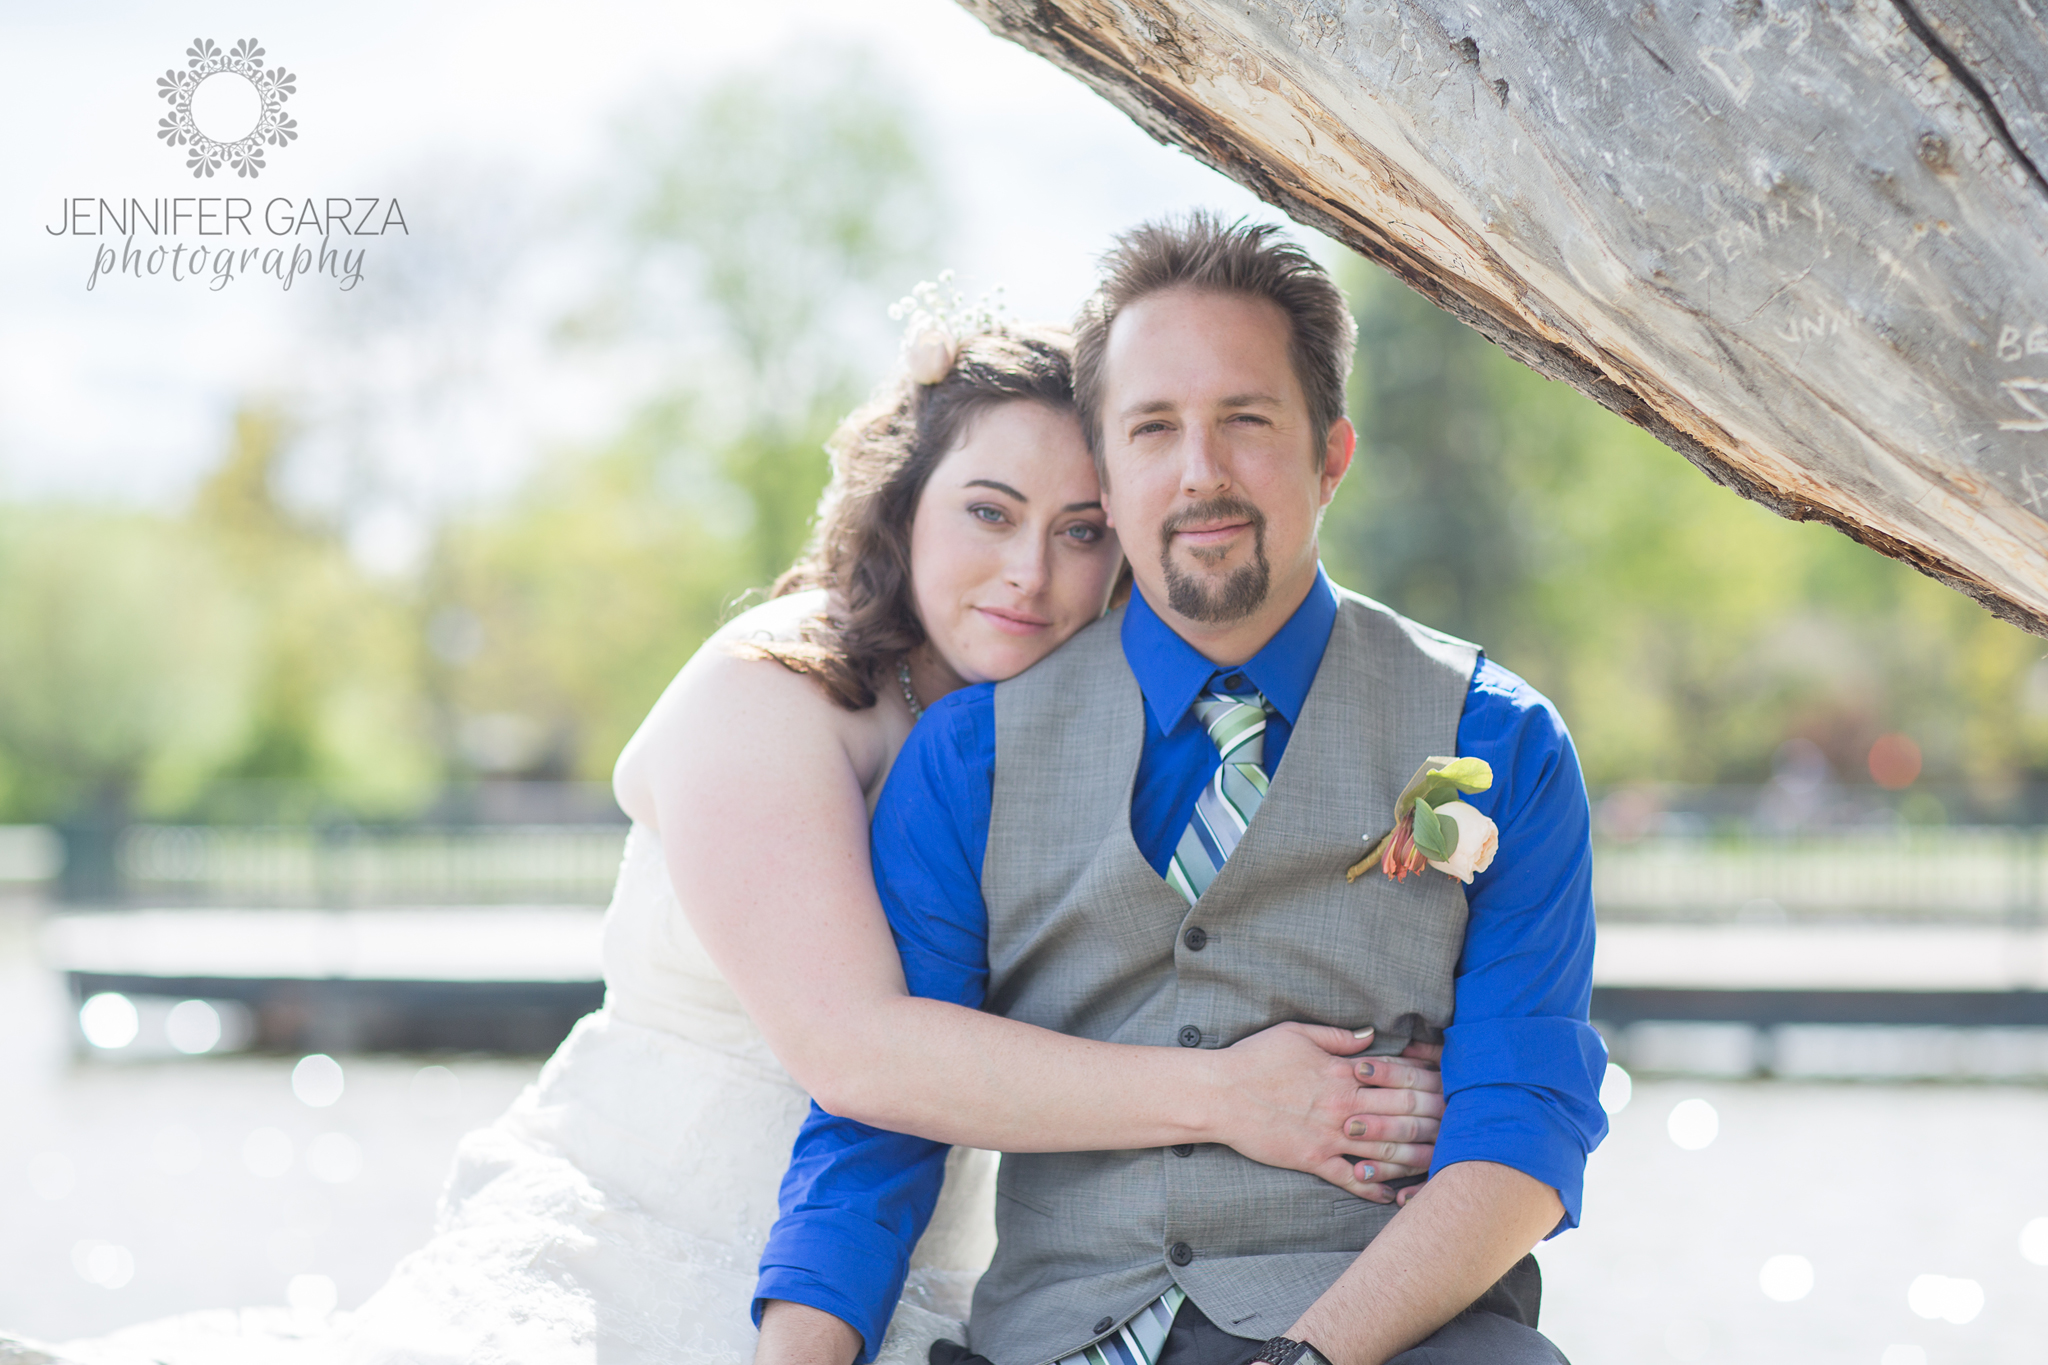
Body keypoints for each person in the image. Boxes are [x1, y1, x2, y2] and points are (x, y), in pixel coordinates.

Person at [2, 324, 1445, 1365]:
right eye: (989, 514)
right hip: (647, 1238)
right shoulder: (773, 692)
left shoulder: (1069, 741)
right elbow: (858, 1054)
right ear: (903, 508)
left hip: (906, 1278)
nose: (1033, 572)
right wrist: (1227, 1098)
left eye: (1083, 532)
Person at [753, 215, 1610, 1365]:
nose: (1199, 471)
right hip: (1051, 1343)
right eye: (1153, 429)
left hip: (1387, 1338)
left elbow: (1525, 1130)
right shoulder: (969, 761)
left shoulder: (1497, 739)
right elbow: (874, 1141)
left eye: (1245, 422)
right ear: (1107, 476)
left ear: (1330, 456)